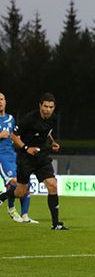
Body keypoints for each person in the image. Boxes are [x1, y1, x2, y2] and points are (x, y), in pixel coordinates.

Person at [0, 93, 68, 229]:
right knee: (21, 192)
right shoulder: (29, 119)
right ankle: (4, 196)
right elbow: (14, 136)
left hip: (41, 157)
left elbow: (47, 132)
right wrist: (26, 148)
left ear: (54, 108)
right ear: (40, 106)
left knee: (52, 185)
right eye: (45, 106)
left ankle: (56, 224)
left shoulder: (53, 119)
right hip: (26, 158)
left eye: (50, 107)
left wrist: (52, 142)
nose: (47, 110)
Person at [0, 93, 37, 223]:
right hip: (1, 157)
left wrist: (22, 144)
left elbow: (15, 137)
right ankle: (11, 208)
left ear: (5, 101)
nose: (0, 102)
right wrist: (0, 135)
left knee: (26, 183)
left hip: (13, 155)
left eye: (2, 99)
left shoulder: (11, 119)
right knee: (14, 182)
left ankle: (25, 215)